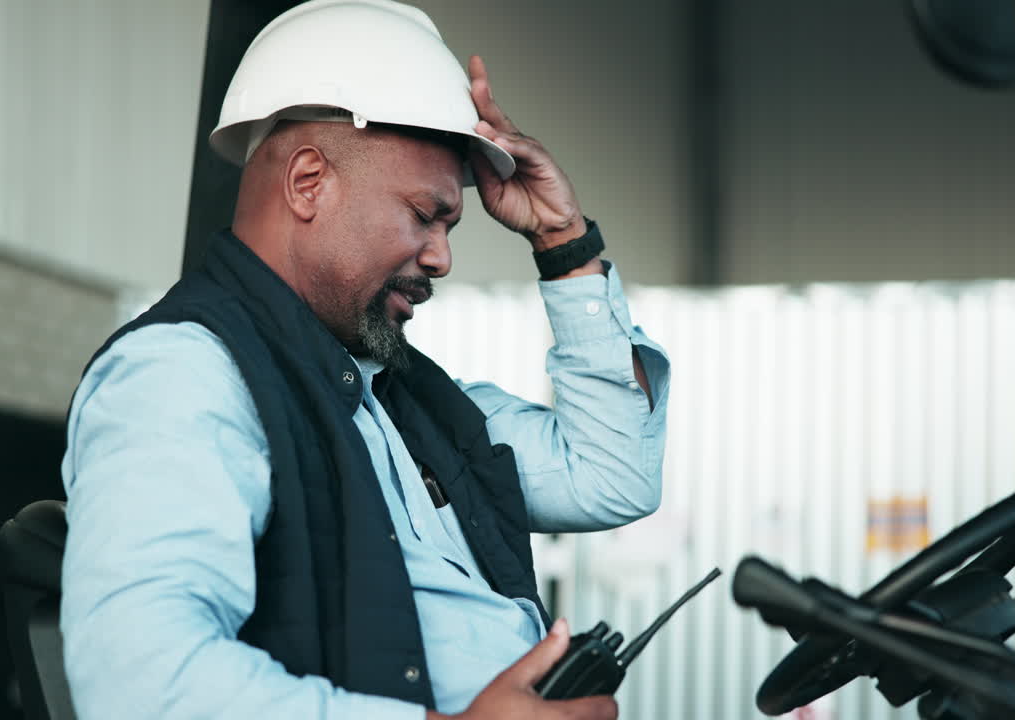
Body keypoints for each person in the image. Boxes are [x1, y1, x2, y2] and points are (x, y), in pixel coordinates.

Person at [59, 1, 670, 718]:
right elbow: (140, 683)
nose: (442, 258)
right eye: (424, 215)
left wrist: (564, 240)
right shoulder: (183, 376)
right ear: (308, 182)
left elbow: (613, 476)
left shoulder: (408, 402)